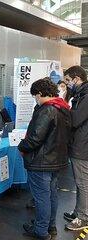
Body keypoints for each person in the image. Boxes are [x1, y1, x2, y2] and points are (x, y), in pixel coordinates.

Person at [18, 77, 71, 239]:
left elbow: (35, 138)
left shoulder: (47, 110)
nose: (35, 99)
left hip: (41, 161)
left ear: (40, 94)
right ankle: (50, 226)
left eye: (35, 96)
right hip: (57, 159)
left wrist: (22, 146)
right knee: (51, 195)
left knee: (42, 197)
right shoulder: (63, 108)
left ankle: (41, 230)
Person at [62, 66, 88, 231]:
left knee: (82, 183)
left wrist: (64, 108)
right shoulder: (81, 94)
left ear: (77, 78)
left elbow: (77, 119)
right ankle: (79, 211)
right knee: (80, 182)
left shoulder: (86, 96)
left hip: (82, 145)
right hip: (80, 143)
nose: (67, 84)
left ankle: (84, 217)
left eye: (68, 81)